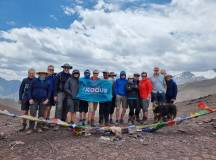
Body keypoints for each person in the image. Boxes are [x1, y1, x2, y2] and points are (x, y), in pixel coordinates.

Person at [27, 69, 51, 134]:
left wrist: (47, 99)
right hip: (34, 99)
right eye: (41, 74)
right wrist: (30, 99)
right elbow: (29, 90)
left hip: (43, 100)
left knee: (41, 114)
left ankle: (39, 127)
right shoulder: (34, 81)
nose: (42, 75)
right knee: (32, 113)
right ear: (39, 74)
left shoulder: (48, 82)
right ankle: (31, 128)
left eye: (44, 74)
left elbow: (49, 92)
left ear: (46, 75)